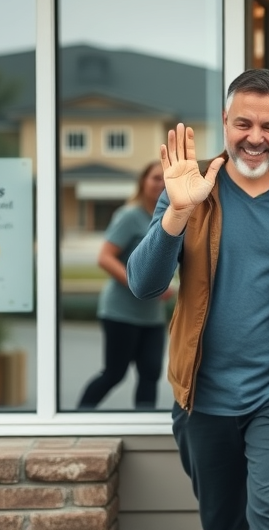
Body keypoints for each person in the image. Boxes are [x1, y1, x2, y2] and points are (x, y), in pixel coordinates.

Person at [127, 69, 269, 530]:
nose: (255, 138)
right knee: (222, 519)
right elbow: (144, 285)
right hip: (202, 395)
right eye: (243, 124)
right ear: (226, 119)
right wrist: (176, 212)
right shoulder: (187, 189)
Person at [78, 161, 172, 410]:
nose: (160, 183)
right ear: (143, 181)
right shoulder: (129, 216)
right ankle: (78, 417)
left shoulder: (170, 216)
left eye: (165, 178)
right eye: (155, 177)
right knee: (114, 373)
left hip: (152, 316)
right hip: (121, 312)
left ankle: (144, 423)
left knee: (150, 374)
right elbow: (105, 257)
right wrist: (137, 283)